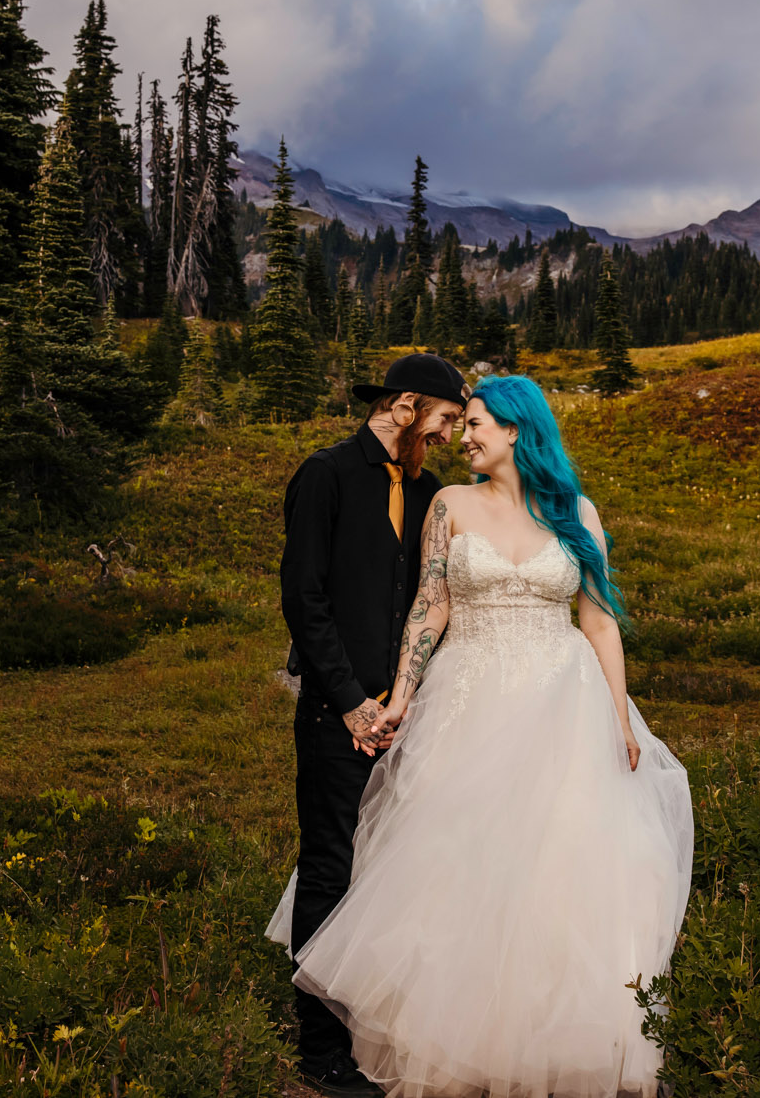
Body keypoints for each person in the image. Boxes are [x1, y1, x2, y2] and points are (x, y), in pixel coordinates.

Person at [270, 374, 694, 1098]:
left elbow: (597, 620)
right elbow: (429, 607)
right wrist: (402, 695)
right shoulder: (450, 504)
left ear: (518, 432)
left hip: (565, 707)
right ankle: (445, 1037)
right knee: (454, 864)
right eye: (460, 423)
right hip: (469, 700)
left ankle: (556, 1039)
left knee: (560, 871)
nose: (462, 437)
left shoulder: (576, 513)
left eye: (476, 425)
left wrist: (620, 720)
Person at [279, 353, 470, 1098]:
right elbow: (305, 598)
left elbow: (424, 599)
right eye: (446, 419)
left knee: (392, 868)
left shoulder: (426, 490)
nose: (450, 435)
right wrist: (352, 702)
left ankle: (375, 1022)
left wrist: (404, 700)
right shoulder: (326, 475)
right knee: (329, 869)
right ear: (406, 406)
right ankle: (321, 1050)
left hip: (405, 716)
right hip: (338, 713)